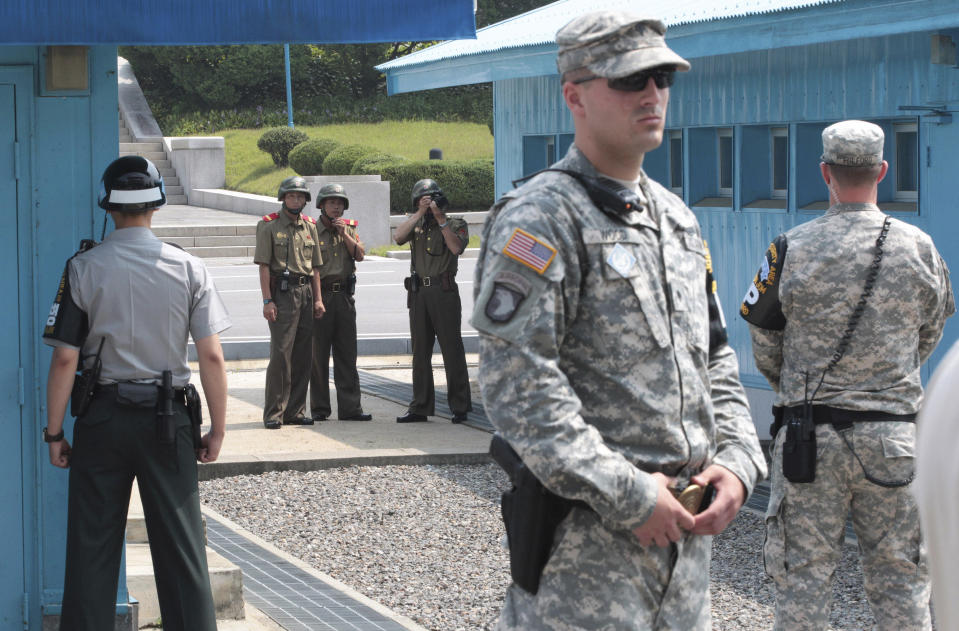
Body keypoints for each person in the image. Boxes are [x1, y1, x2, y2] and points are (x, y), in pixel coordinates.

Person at [472, 11, 767, 629]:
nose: (653, 95)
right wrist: (630, 494)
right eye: (631, 80)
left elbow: (712, 355)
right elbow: (519, 387)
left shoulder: (676, 219)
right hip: (586, 554)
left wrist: (739, 461)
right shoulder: (542, 219)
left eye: (662, 78)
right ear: (573, 95)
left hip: (685, 557)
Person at [740, 120, 954, 630]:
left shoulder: (788, 249)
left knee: (803, 584)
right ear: (881, 170)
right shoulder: (919, 247)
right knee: (903, 583)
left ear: (824, 173)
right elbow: (933, 329)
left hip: (808, 443)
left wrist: (795, 392)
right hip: (896, 442)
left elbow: (765, 342)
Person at [41, 156, 231, 631]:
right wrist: (217, 430)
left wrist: (54, 432)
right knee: (182, 546)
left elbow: (65, 358)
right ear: (157, 205)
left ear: (108, 207)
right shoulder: (189, 267)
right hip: (170, 421)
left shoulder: (83, 267)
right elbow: (211, 357)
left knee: (92, 545)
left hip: (102, 419)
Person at [393, 179, 472, 424]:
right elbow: (398, 237)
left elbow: (456, 248)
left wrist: (440, 220)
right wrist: (419, 213)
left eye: (432, 199)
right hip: (418, 293)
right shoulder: (415, 224)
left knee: (452, 349)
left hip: (444, 290)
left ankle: (459, 406)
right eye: (423, 199)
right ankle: (420, 406)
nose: (428, 203)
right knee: (420, 351)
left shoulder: (455, 223)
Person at [254, 176, 325, 429]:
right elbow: (264, 266)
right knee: (281, 355)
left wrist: (318, 299)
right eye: (292, 195)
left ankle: (295, 410)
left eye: (301, 196)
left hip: (306, 292)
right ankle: (274, 412)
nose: (296, 200)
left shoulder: (310, 226)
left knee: (304, 354)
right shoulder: (269, 225)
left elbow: (315, 268)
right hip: (283, 294)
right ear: (283, 197)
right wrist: (267, 300)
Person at [309, 183, 372, 421]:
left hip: (344, 297)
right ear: (322, 205)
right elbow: (312, 267)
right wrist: (316, 299)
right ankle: (320, 409)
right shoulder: (312, 230)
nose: (336, 207)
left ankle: (350, 408)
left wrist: (344, 234)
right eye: (331, 203)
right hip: (321, 295)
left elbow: (360, 255)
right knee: (318, 356)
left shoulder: (349, 229)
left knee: (347, 354)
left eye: (340, 204)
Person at [914, 339, 959, 631]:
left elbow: (765, 336)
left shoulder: (951, 376)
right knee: (903, 576)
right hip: (895, 428)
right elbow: (930, 333)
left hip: (811, 429)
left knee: (804, 571)